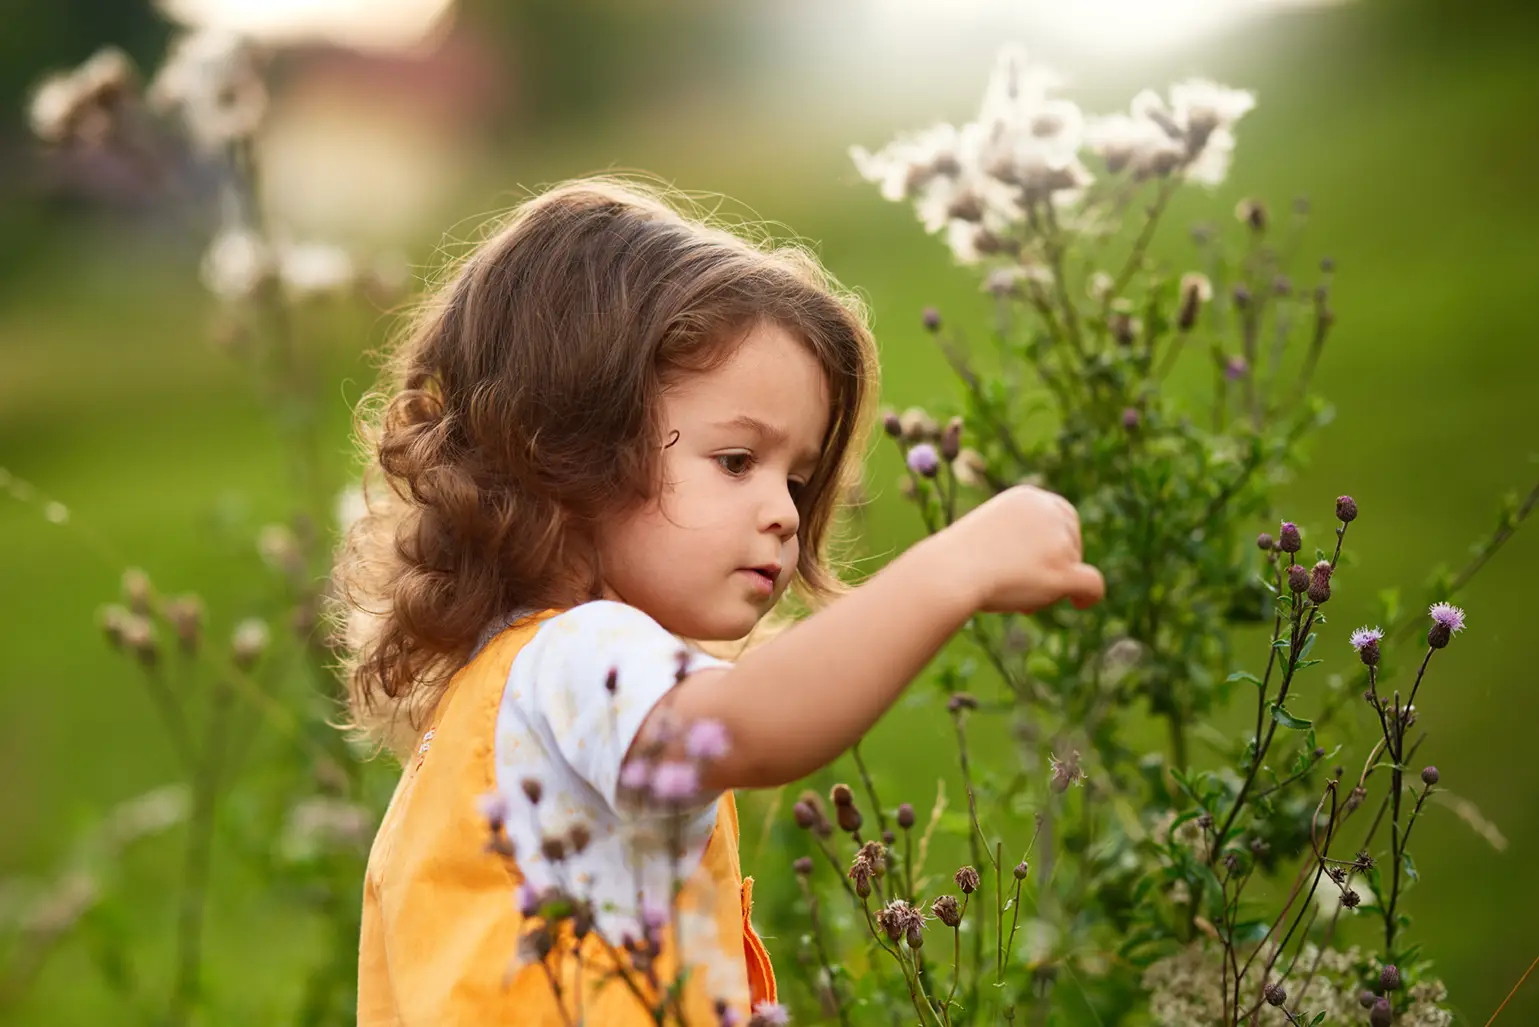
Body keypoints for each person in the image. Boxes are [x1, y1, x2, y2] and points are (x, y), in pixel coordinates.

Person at [330, 178, 1104, 1027]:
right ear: (567, 444)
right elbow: (742, 727)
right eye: (737, 459)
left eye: (797, 478)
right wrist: (956, 567)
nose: (783, 511)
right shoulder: (578, 656)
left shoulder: (490, 697)